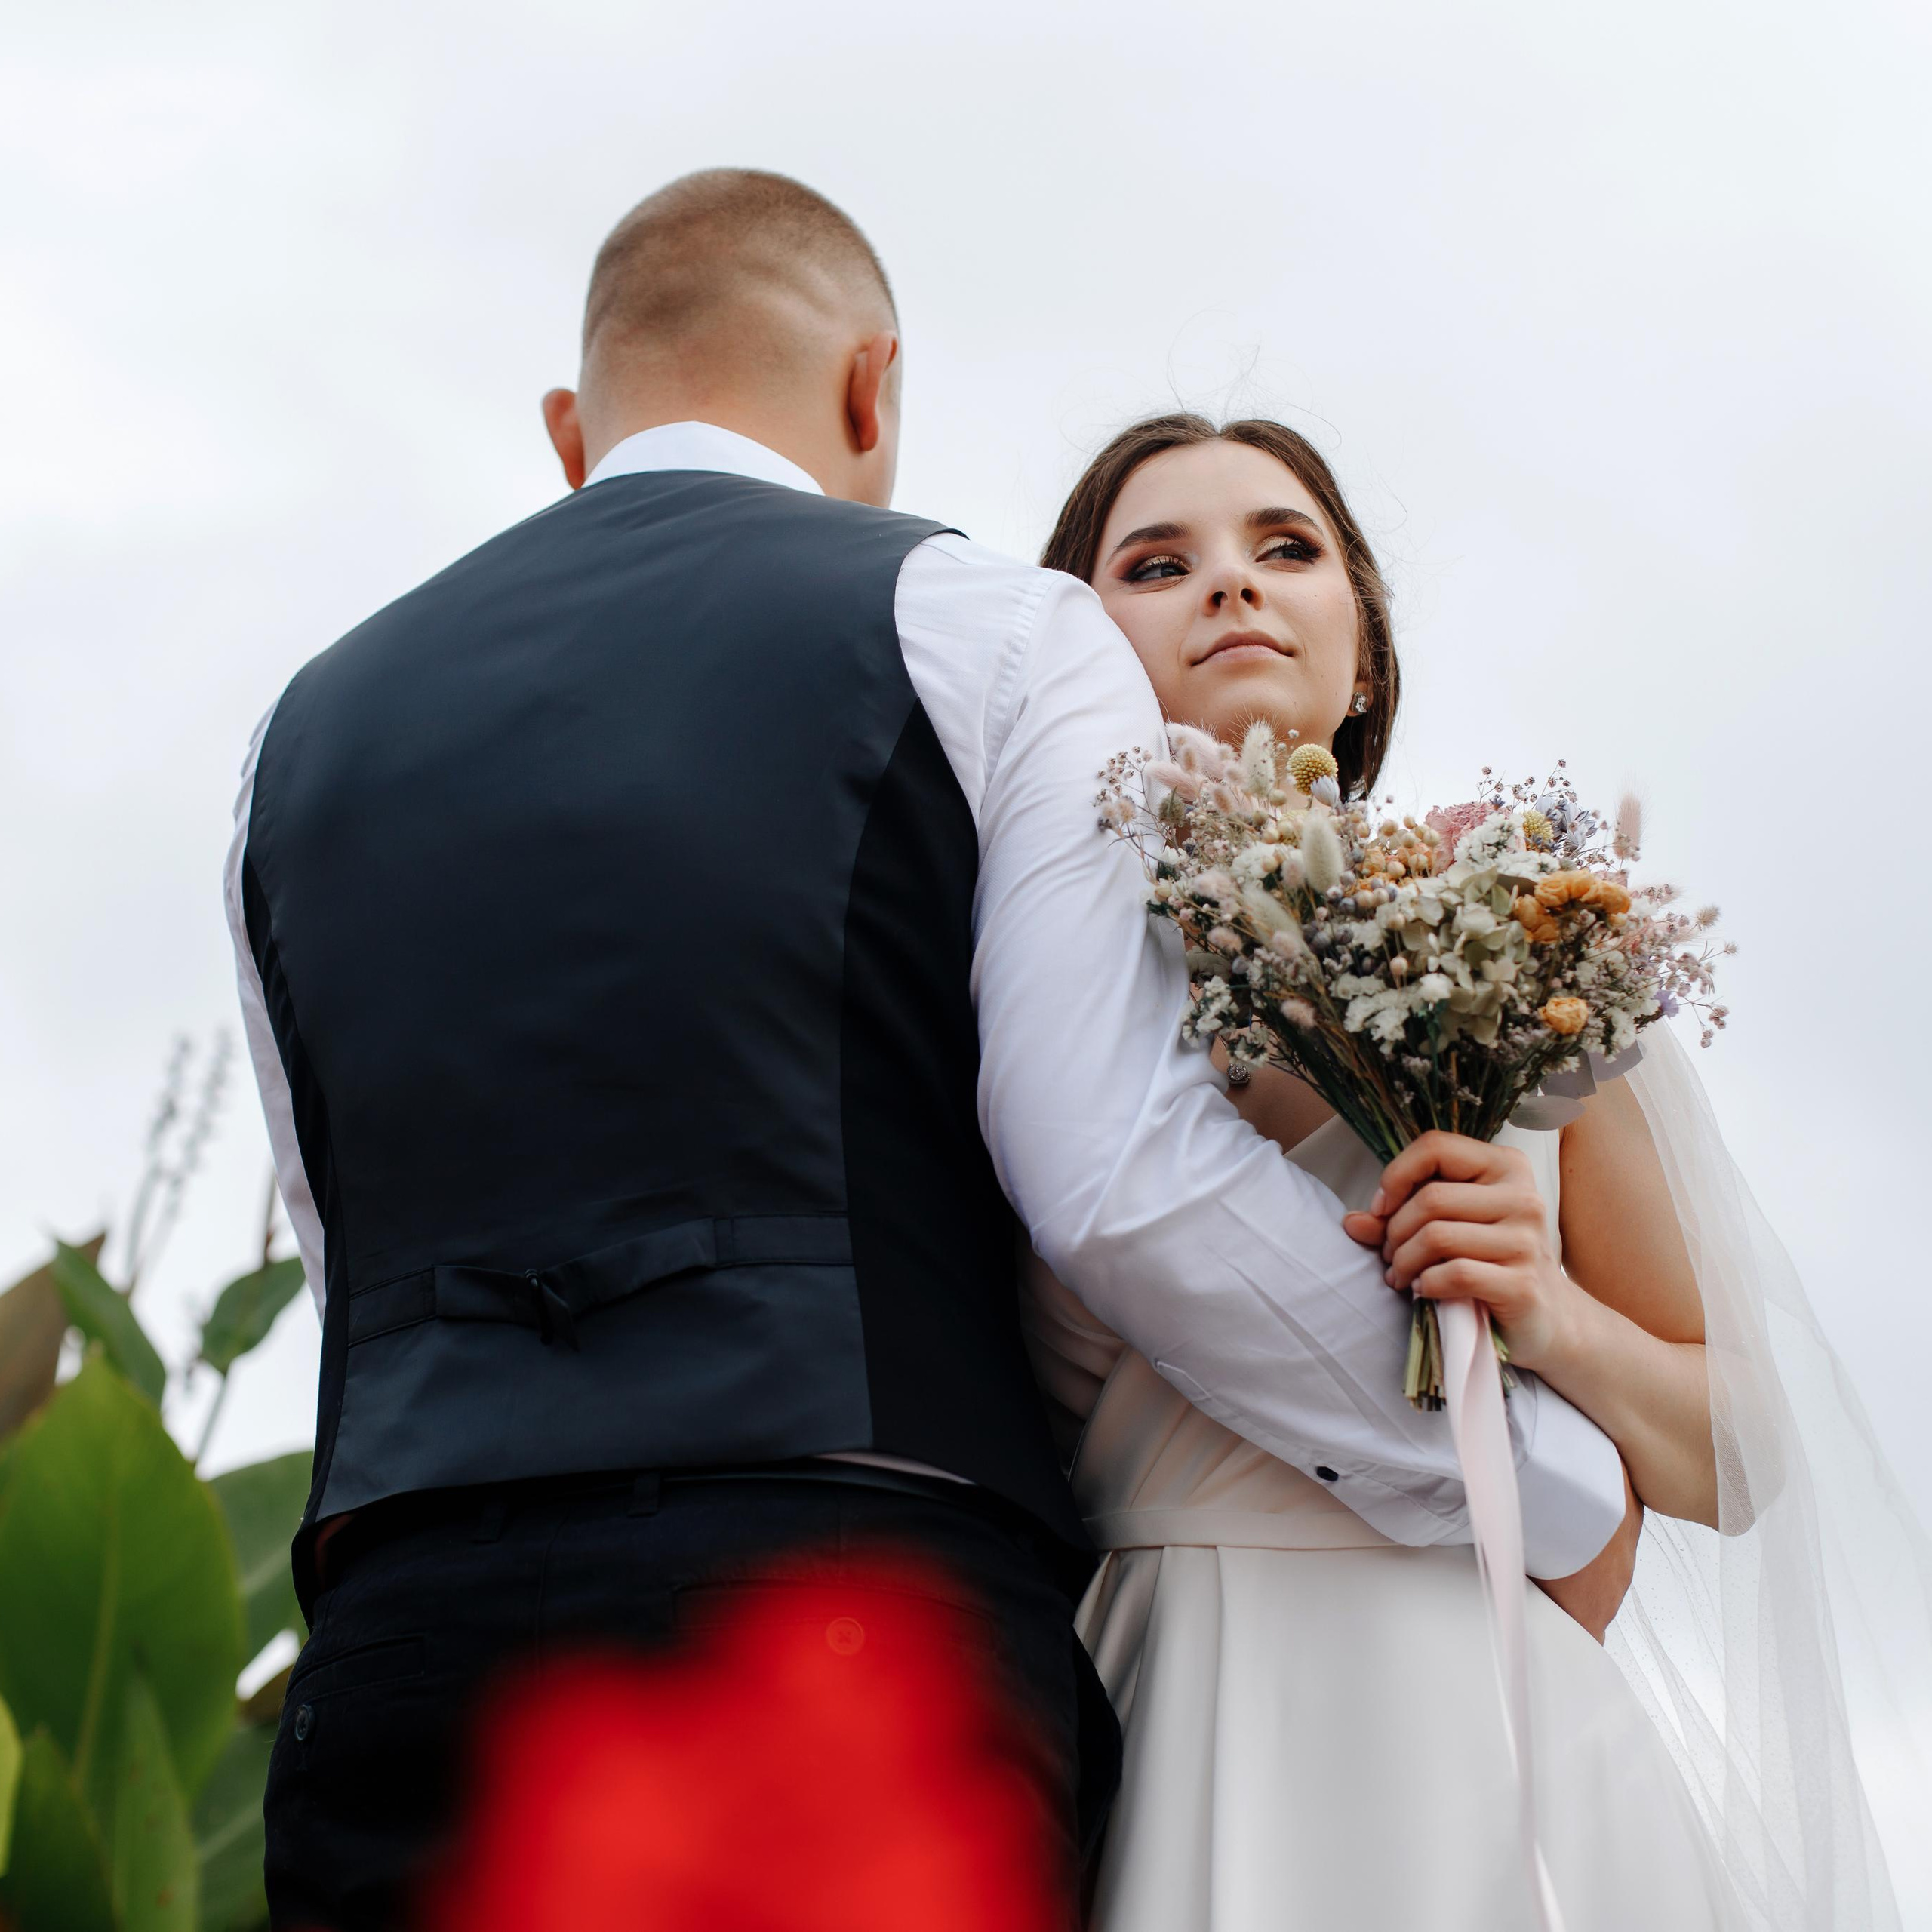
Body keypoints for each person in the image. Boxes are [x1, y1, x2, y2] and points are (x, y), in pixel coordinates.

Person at [226, 172, 1630, 1930]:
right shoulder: (977, 622)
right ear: (871, 388)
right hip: (841, 1616)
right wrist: (1531, 1475)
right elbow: (1113, 1176)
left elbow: (341, 1228)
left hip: (407, 1634)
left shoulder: (304, 731)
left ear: (570, 430)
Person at [1026, 412, 1932, 1932]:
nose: (1229, 588)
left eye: (1283, 548)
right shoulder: (1019, 991)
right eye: (1158, 561)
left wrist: (1548, 1306)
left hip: (1482, 1733)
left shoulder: (1524, 960)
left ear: (1362, 650)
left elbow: (1739, 1456)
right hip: (1145, 1696)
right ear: (1071, 644)